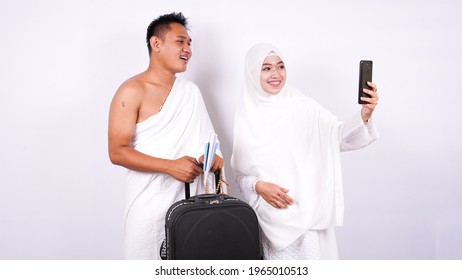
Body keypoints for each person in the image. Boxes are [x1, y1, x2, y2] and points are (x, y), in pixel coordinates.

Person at [230, 43, 379, 259]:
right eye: (266, 68)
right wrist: (259, 186)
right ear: (253, 73)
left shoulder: (303, 106)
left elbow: (338, 138)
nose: (276, 74)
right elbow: (241, 174)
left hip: (310, 217)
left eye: (280, 66)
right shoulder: (247, 117)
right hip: (272, 220)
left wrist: (365, 114)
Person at [108, 12, 224, 260]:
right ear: (156, 43)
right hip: (148, 205)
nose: (188, 50)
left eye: (189, 44)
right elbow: (117, 151)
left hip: (192, 204)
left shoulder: (190, 92)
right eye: (180, 41)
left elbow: (209, 143)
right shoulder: (131, 90)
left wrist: (213, 158)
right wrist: (170, 166)